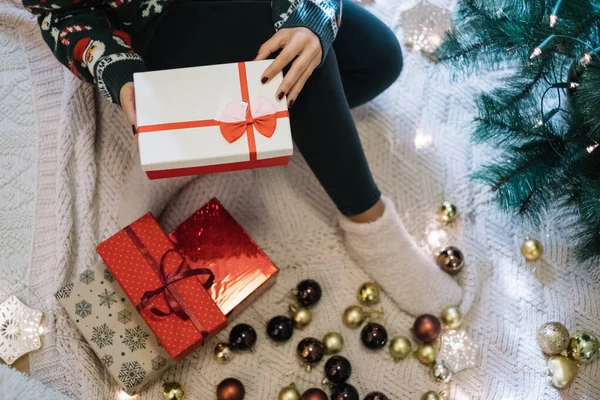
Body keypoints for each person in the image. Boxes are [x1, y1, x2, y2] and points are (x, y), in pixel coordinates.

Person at [24, 0, 462, 315]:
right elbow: (61, 14)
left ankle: (200, 137)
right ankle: (371, 225)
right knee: (275, 48)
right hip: (151, 28)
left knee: (378, 58)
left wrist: (312, 18)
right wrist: (121, 76)